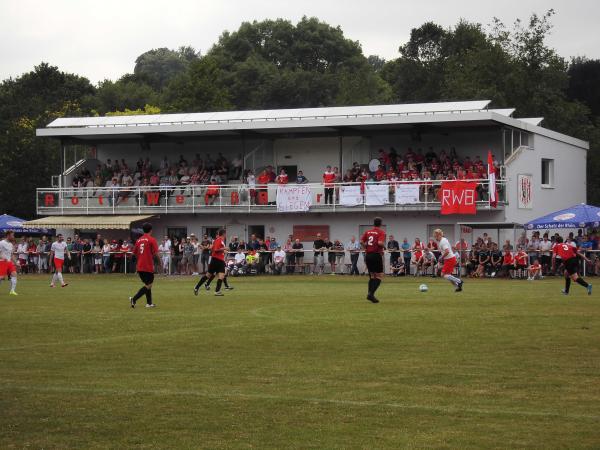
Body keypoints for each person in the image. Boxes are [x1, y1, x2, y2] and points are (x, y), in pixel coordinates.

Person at [194, 229, 233, 296]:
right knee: (208, 275)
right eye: (225, 234)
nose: (226, 235)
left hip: (219, 260)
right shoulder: (219, 240)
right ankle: (196, 287)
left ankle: (217, 291)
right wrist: (224, 248)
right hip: (216, 260)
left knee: (221, 275)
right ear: (223, 234)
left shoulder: (219, 240)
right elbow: (215, 249)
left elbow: (213, 249)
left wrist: (223, 251)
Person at [129, 222, 159, 308]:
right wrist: (160, 263)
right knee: (149, 285)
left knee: (147, 284)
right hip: (147, 266)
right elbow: (156, 254)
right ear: (151, 230)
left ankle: (149, 303)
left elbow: (133, 254)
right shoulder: (152, 239)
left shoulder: (139, 240)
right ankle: (134, 299)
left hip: (140, 266)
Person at [361, 217, 386, 303]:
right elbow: (380, 243)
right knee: (379, 276)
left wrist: (366, 248)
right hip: (376, 255)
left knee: (372, 276)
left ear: (374, 223)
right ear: (381, 224)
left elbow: (361, 241)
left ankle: (370, 294)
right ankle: (371, 294)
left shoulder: (368, 232)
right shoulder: (381, 232)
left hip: (368, 255)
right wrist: (384, 247)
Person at [0, 231, 18, 295]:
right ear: (8, 235)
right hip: (2, 262)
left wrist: (16, 263)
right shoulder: (1, 243)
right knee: (1, 278)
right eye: (12, 235)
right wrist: (2, 257)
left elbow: (11, 255)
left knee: (14, 274)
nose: (13, 237)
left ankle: (12, 291)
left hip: (9, 262)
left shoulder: (10, 244)